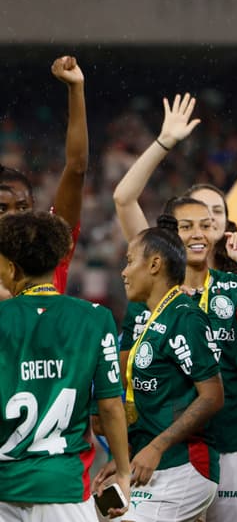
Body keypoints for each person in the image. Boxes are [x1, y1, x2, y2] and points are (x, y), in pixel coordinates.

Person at [114, 95, 237, 521]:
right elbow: (124, 199)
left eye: (210, 221)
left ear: (219, 229)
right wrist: (164, 142)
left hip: (229, 446)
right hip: (165, 453)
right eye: (188, 223)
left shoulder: (235, 287)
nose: (198, 230)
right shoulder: (150, 288)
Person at [0, 212, 130, 521]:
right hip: (64, 488)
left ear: (12, 268)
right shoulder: (96, 318)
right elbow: (110, 405)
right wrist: (124, 471)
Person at [98, 222, 224, 521]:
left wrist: (156, 447)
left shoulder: (185, 318)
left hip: (184, 463)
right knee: (106, 512)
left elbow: (213, 396)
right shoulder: (153, 319)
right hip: (151, 463)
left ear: (154, 265)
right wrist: (127, 456)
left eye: (130, 261)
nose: (124, 272)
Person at [0, 56, 89, 296]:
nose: (13, 217)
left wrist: (76, 88)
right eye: (2, 209)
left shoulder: (51, 250)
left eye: (22, 208)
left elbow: (77, 168)